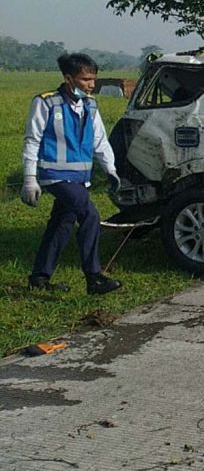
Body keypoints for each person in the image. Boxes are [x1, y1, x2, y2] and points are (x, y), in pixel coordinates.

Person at [20, 53, 123, 295]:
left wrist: (111, 170)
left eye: (93, 79)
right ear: (68, 78)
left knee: (62, 224)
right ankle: (94, 276)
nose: (91, 84)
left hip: (79, 178)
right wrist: (29, 179)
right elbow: (32, 141)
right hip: (54, 175)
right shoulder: (45, 103)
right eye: (85, 79)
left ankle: (39, 277)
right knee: (89, 214)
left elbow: (100, 141)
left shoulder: (90, 105)